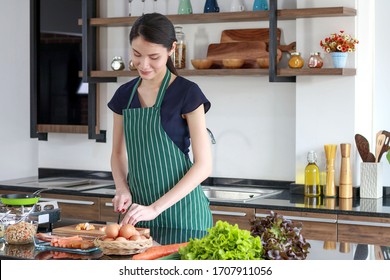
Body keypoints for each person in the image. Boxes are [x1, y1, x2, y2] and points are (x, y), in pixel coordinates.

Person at [107, 13, 213, 232]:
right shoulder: (123, 95)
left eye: (154, 57)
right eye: (137, 54)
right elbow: (118, 154)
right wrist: (121, 188)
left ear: (171, 49)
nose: (144, 64)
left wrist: (155, 208)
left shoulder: (187, 93)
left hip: (185, 216)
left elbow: (203, 165)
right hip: (137, 216)